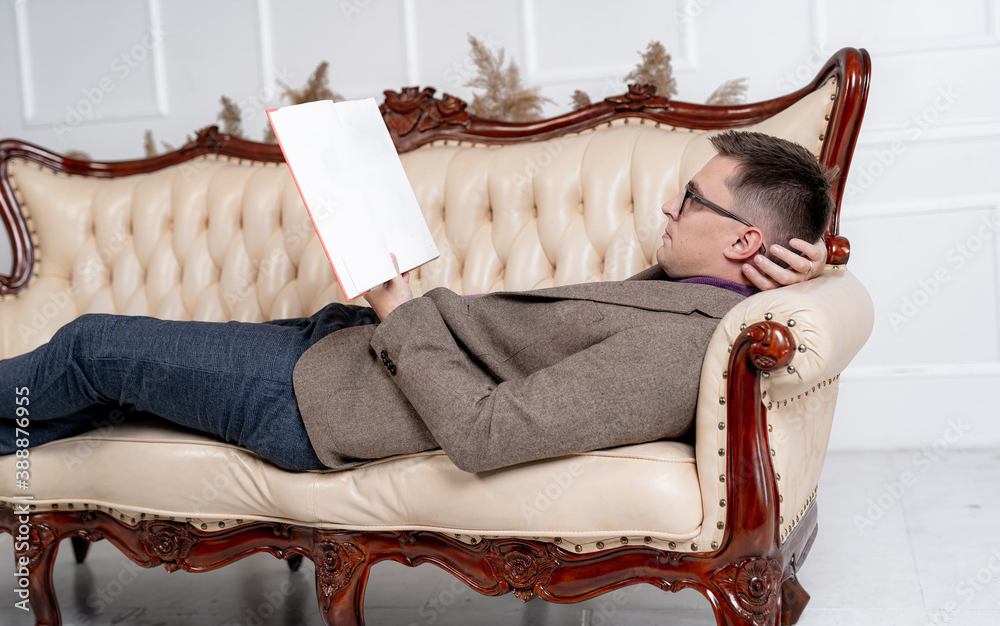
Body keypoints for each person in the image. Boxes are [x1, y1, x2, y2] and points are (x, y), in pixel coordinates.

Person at [1, 131, 833, 473]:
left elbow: (486, 434)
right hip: (344, 351)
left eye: (688, 200)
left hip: (314, 401)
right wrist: (806, 267)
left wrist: (402, 308)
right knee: (100, 393)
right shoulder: (699, 301)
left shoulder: (679, 349)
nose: (667, 209)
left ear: (738, 241)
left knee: (89, 348)